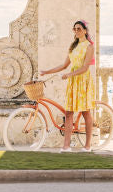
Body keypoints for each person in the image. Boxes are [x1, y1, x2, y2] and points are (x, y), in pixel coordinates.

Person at [39, 20, 96, 151]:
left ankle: (87, 146)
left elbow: (85, 68)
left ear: (85, 31)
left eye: (79, 29)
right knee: (69, 113)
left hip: (82, 81)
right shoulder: (73, 46)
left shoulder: (89, 47)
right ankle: (66, 146)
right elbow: (64, 65)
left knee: (86, 112)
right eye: (74, 29)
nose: (76, 31)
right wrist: (46, 72)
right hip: (73, 82)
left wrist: (69, 75)